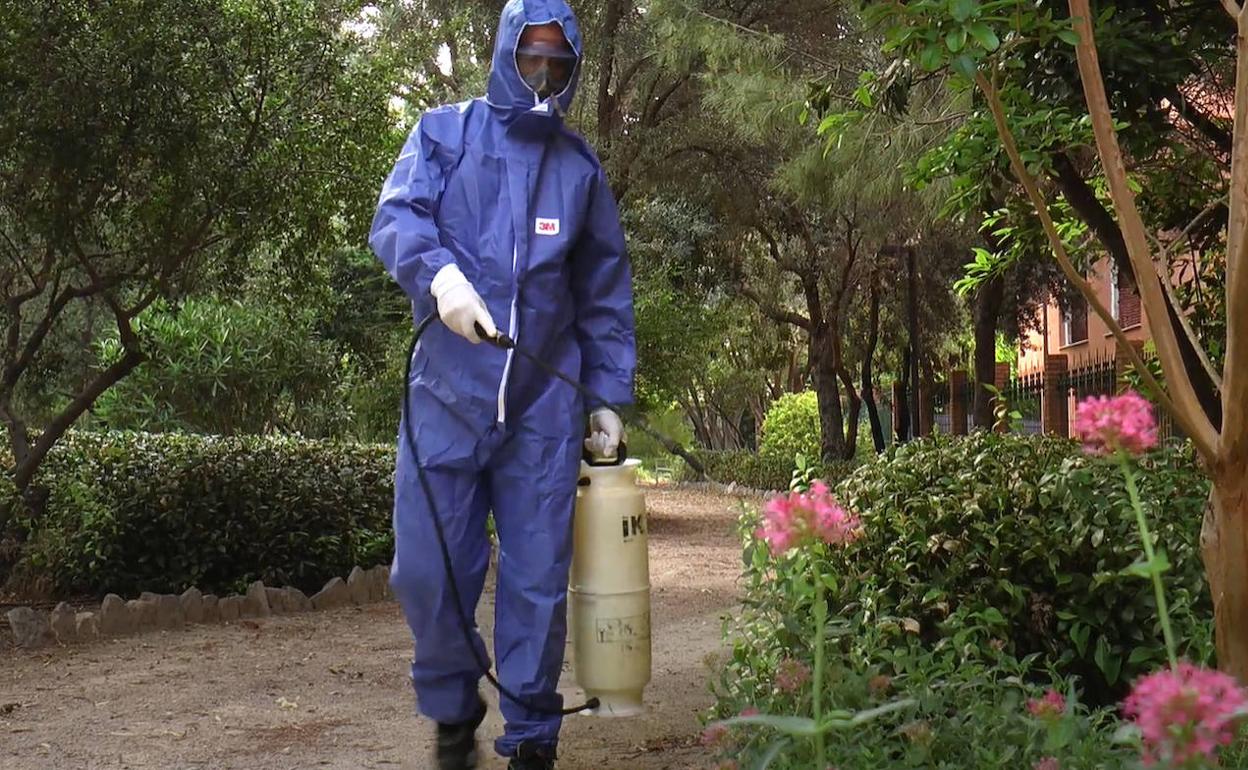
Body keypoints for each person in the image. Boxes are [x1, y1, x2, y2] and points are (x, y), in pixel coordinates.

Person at [367, 1, 636, 768]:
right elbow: (397, 216)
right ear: (504, 54)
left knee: (536, 584)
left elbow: (605, 293)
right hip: (445, 399)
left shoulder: (580, 171)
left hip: (543, 413)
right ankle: (454, 707)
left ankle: (530, 742)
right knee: (426, 571)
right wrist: (440, 276)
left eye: (559, 64)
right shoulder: (442, 135)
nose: (544, 77)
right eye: (532, 60)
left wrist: (607, 397)